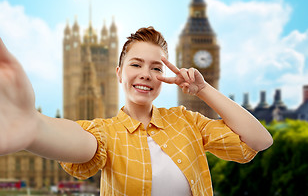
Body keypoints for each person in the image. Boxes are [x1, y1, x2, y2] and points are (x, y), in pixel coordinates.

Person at [0, 26, 273, 196]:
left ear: (165, 77)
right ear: (118, 72)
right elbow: (82, 142)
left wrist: (202, 89)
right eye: (136, 65)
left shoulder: (187, 121)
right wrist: (34, 127)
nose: (146, 74)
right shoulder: (107, 133)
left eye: (156, 68)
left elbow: (260, 140)